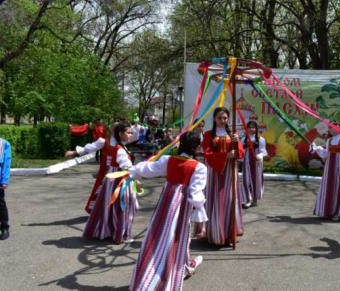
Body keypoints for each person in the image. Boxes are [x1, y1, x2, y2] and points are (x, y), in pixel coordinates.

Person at [129, 131, 207, 291]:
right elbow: (195, 194)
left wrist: (134, 172)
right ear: (197, 147)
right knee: (176, 237)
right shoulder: (199, 167)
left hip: (165, 206)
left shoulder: (168, 160)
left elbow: (148, 168)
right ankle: (164, 276)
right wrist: (201, 221)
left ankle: (184, 264)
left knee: (158, 236)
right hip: (181, 208)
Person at [65, 122, 141, 214]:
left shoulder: (122, 143)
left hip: (120, 173)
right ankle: (102, 211)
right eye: (115, 127)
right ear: (114, 131)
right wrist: (75, 152)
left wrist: (136, 126)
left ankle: (110, 212)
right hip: (106, 171)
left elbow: (134, 136)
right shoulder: (104, 141)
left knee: (116, 192)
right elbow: (90, 147)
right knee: (103, 190)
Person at [83, 122, 138, 244]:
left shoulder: (122, 147)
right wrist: (139, 170)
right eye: (128, 132)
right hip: (118, 179)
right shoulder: (118, 149)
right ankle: (120, 233)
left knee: (117, 206)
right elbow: (126, 166)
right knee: (124, 206)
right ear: (120, 133)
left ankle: (111, 231)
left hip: (116, 178)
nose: (131, 135)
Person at [202, 107, 245, 246]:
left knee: (229, 199)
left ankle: (228, 232)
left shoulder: (233, 134)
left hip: (230, 171)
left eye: (225, 118)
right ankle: (215, 232)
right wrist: (225, 155)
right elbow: (207, 154)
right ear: (214, 118)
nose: (222, 120)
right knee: (216, 198)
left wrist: (236, 144)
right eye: (220, 118)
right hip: (215, 171)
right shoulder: (208, 135)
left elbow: (240, 152)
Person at [311, 123, 340, 221]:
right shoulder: (329, 140)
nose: (330, 130)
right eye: (330, 128)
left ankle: (338, 213)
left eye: (332, 128)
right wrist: (316, 148)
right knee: (329, 188)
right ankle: (328, 211)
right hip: (329, 169)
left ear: (339, 129)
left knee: (339, 189)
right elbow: (326, 154)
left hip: (339, 169)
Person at [240, 121, 267, 209]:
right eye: (249, 127)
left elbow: (263, 152)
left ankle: (254, 199)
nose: (251, 129)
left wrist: (259, 156)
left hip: (256, 164)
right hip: (247, 163)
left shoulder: (261, 139)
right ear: (246, 129)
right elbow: (241, 151)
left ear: (256, 129)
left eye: (253, 127)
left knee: (256, 181)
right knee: (246, 181)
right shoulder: (243, 139)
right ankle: (247, 200)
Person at [0, 138, 11, 240]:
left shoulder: (3, 144)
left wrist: (4, 180)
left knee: (0, 204)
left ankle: (4, 228)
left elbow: (6, 164)